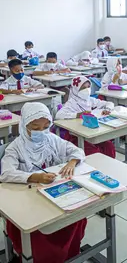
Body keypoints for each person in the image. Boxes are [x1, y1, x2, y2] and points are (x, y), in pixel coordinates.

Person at [0, 102, 87, 263]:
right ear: (24, 124)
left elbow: (75, 150)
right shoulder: (15, 148)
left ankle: (69, 254)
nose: (41, 132)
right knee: (41, 234)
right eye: (35, 127)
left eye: (46, 126)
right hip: (28, 203)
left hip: (55, 194)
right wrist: (35, 177)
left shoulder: (51, 138)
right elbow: (6, 173)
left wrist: (72, 162)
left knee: (76, 216)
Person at [56, 76, 116, 158]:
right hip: (76, 136)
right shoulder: (71, 103)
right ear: (76, 90)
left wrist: (107, 109)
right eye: (83, 88)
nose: (87, 90)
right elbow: (58, 115)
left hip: (91, 132)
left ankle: (108, 166)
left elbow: (109, 103)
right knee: (94, 153)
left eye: (88, 87)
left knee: (109, 146)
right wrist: (77, 115)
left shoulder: (89, 100)